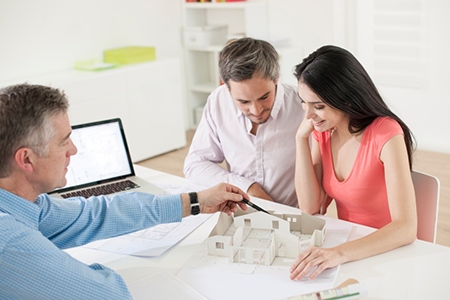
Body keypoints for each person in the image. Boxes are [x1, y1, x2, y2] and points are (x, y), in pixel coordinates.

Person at [0, 83, 248, 300]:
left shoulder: (26, 203)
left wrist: (196, 202)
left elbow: (95, 215)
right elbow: (108, 294)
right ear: (27, 159)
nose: (73, 150)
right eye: (64, 141)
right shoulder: (8, 242)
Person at [289, 45, 418, 281]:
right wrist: (300, 140)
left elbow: (406, 228)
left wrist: (338, 253)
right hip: (348, 249)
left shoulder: (386, 133)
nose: (308, 115)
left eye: (318, 106)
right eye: (303, 103)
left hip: (384, 252)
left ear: (346, 100)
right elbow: (311, 206)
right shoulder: (324, 132)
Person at [184, 37, 304, 207]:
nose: (256, 110)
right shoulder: (219, 100)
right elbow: (195, 165)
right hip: (240, 214)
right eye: (244, 102)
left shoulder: (302, 105)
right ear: (226, 86)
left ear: (276, 78)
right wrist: (248, 187)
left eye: (264, 97)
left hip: (293, 217)